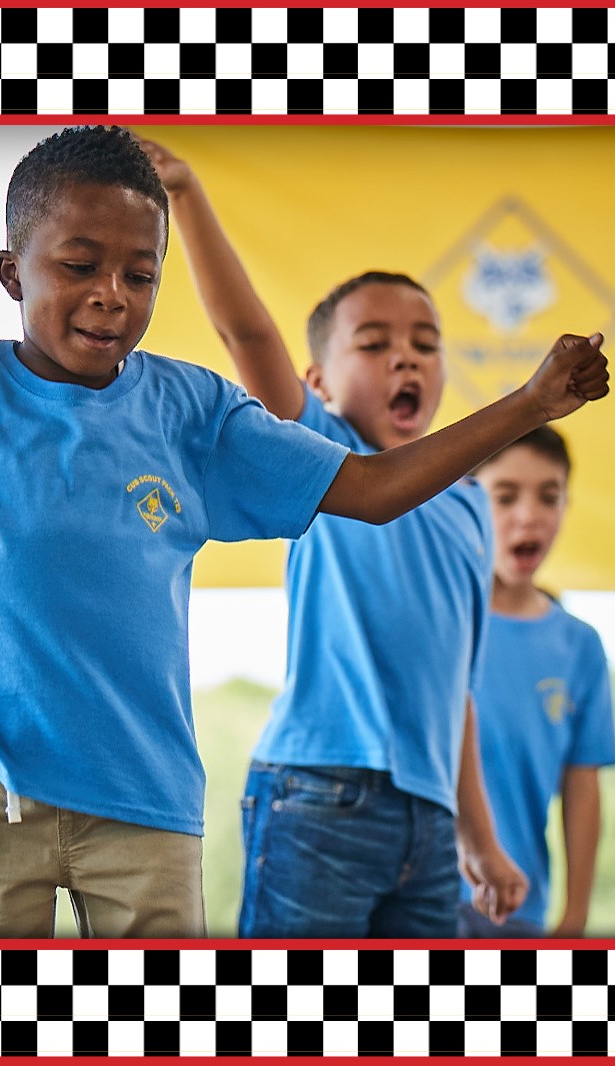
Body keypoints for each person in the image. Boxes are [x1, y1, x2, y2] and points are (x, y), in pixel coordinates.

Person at [0, 126, 607, 939]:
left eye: (140, 275)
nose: (112, 293)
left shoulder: (196, 415)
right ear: (11, 271)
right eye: (79, 266)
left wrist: (532, 404)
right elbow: (255, 338)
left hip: (146, 797)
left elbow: (374, 491)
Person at [139, 134, 607, 937]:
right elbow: (247, 336)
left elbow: (451, 687)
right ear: (317, 382)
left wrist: (479, 838)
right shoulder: (321, 452)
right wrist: (184, 191)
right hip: (320, 797)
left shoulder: (469, 510)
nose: (406, 360)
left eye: (425, 344)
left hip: (428, 826)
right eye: (375, 344)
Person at [458, 427, 615, 938]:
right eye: (506, 496)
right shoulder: (446, 619)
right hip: (426, 895)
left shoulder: (580, 645)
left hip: (521, 905)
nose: (530, 514)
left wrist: (574, 916)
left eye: (549, 496)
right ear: (468, 502)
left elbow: (583, 784)